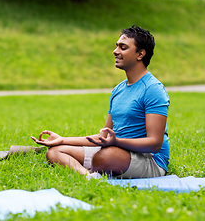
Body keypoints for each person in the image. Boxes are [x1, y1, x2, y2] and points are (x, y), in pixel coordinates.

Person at [31, 25, 170, 179]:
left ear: (140, 54)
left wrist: (116, 141)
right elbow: (103, 137)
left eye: (123, 47)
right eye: (116, 46)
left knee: (105, 156)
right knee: (56, 151)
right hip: (117, 152)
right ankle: (88, 177)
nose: (115, 51)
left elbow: (155, 143)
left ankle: (98, 167)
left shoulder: (153, 89)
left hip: (149, 159)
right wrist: (62, 140)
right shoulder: (118, 90)